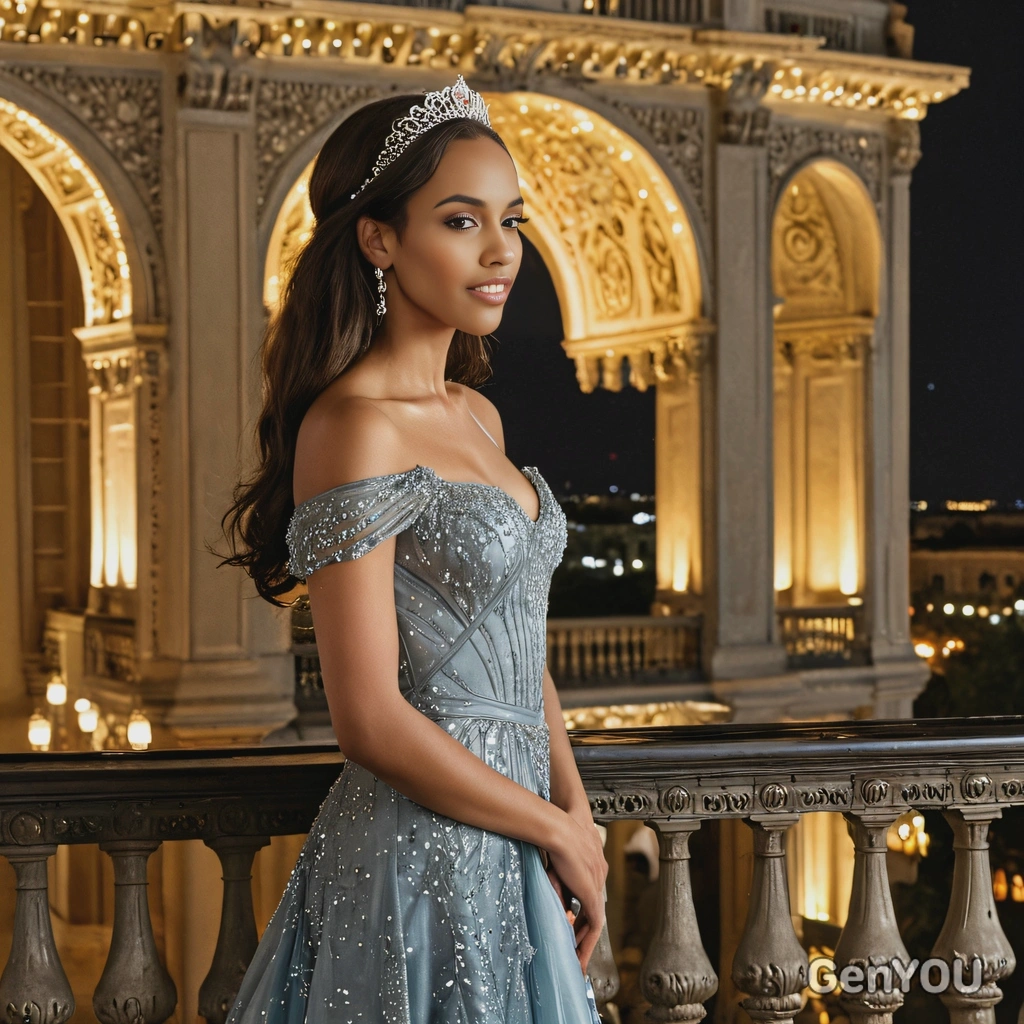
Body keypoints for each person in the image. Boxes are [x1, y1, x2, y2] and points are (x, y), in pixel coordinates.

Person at [219, 76, 608, 1022]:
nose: (501, 251)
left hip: (521, 831)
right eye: (461, 221)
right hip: (419, 855)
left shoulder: (478, 414)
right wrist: (550, 825)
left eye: (510, 221)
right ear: (380, 237)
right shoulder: (353, 427)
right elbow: (370, 720)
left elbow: (522, 644)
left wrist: (579, 813)